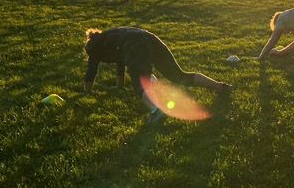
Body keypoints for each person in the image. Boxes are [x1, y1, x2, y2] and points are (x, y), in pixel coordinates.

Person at [83, 27, 233, 124]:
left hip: (136, 45)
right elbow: (120, 62)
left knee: (140, 83)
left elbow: (91, 72)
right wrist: (119, 86)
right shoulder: (111, 37)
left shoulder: (93, 48)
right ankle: (221, 87)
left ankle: (156, 111)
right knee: (179, 75)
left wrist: (86, 93)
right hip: (150, 38)